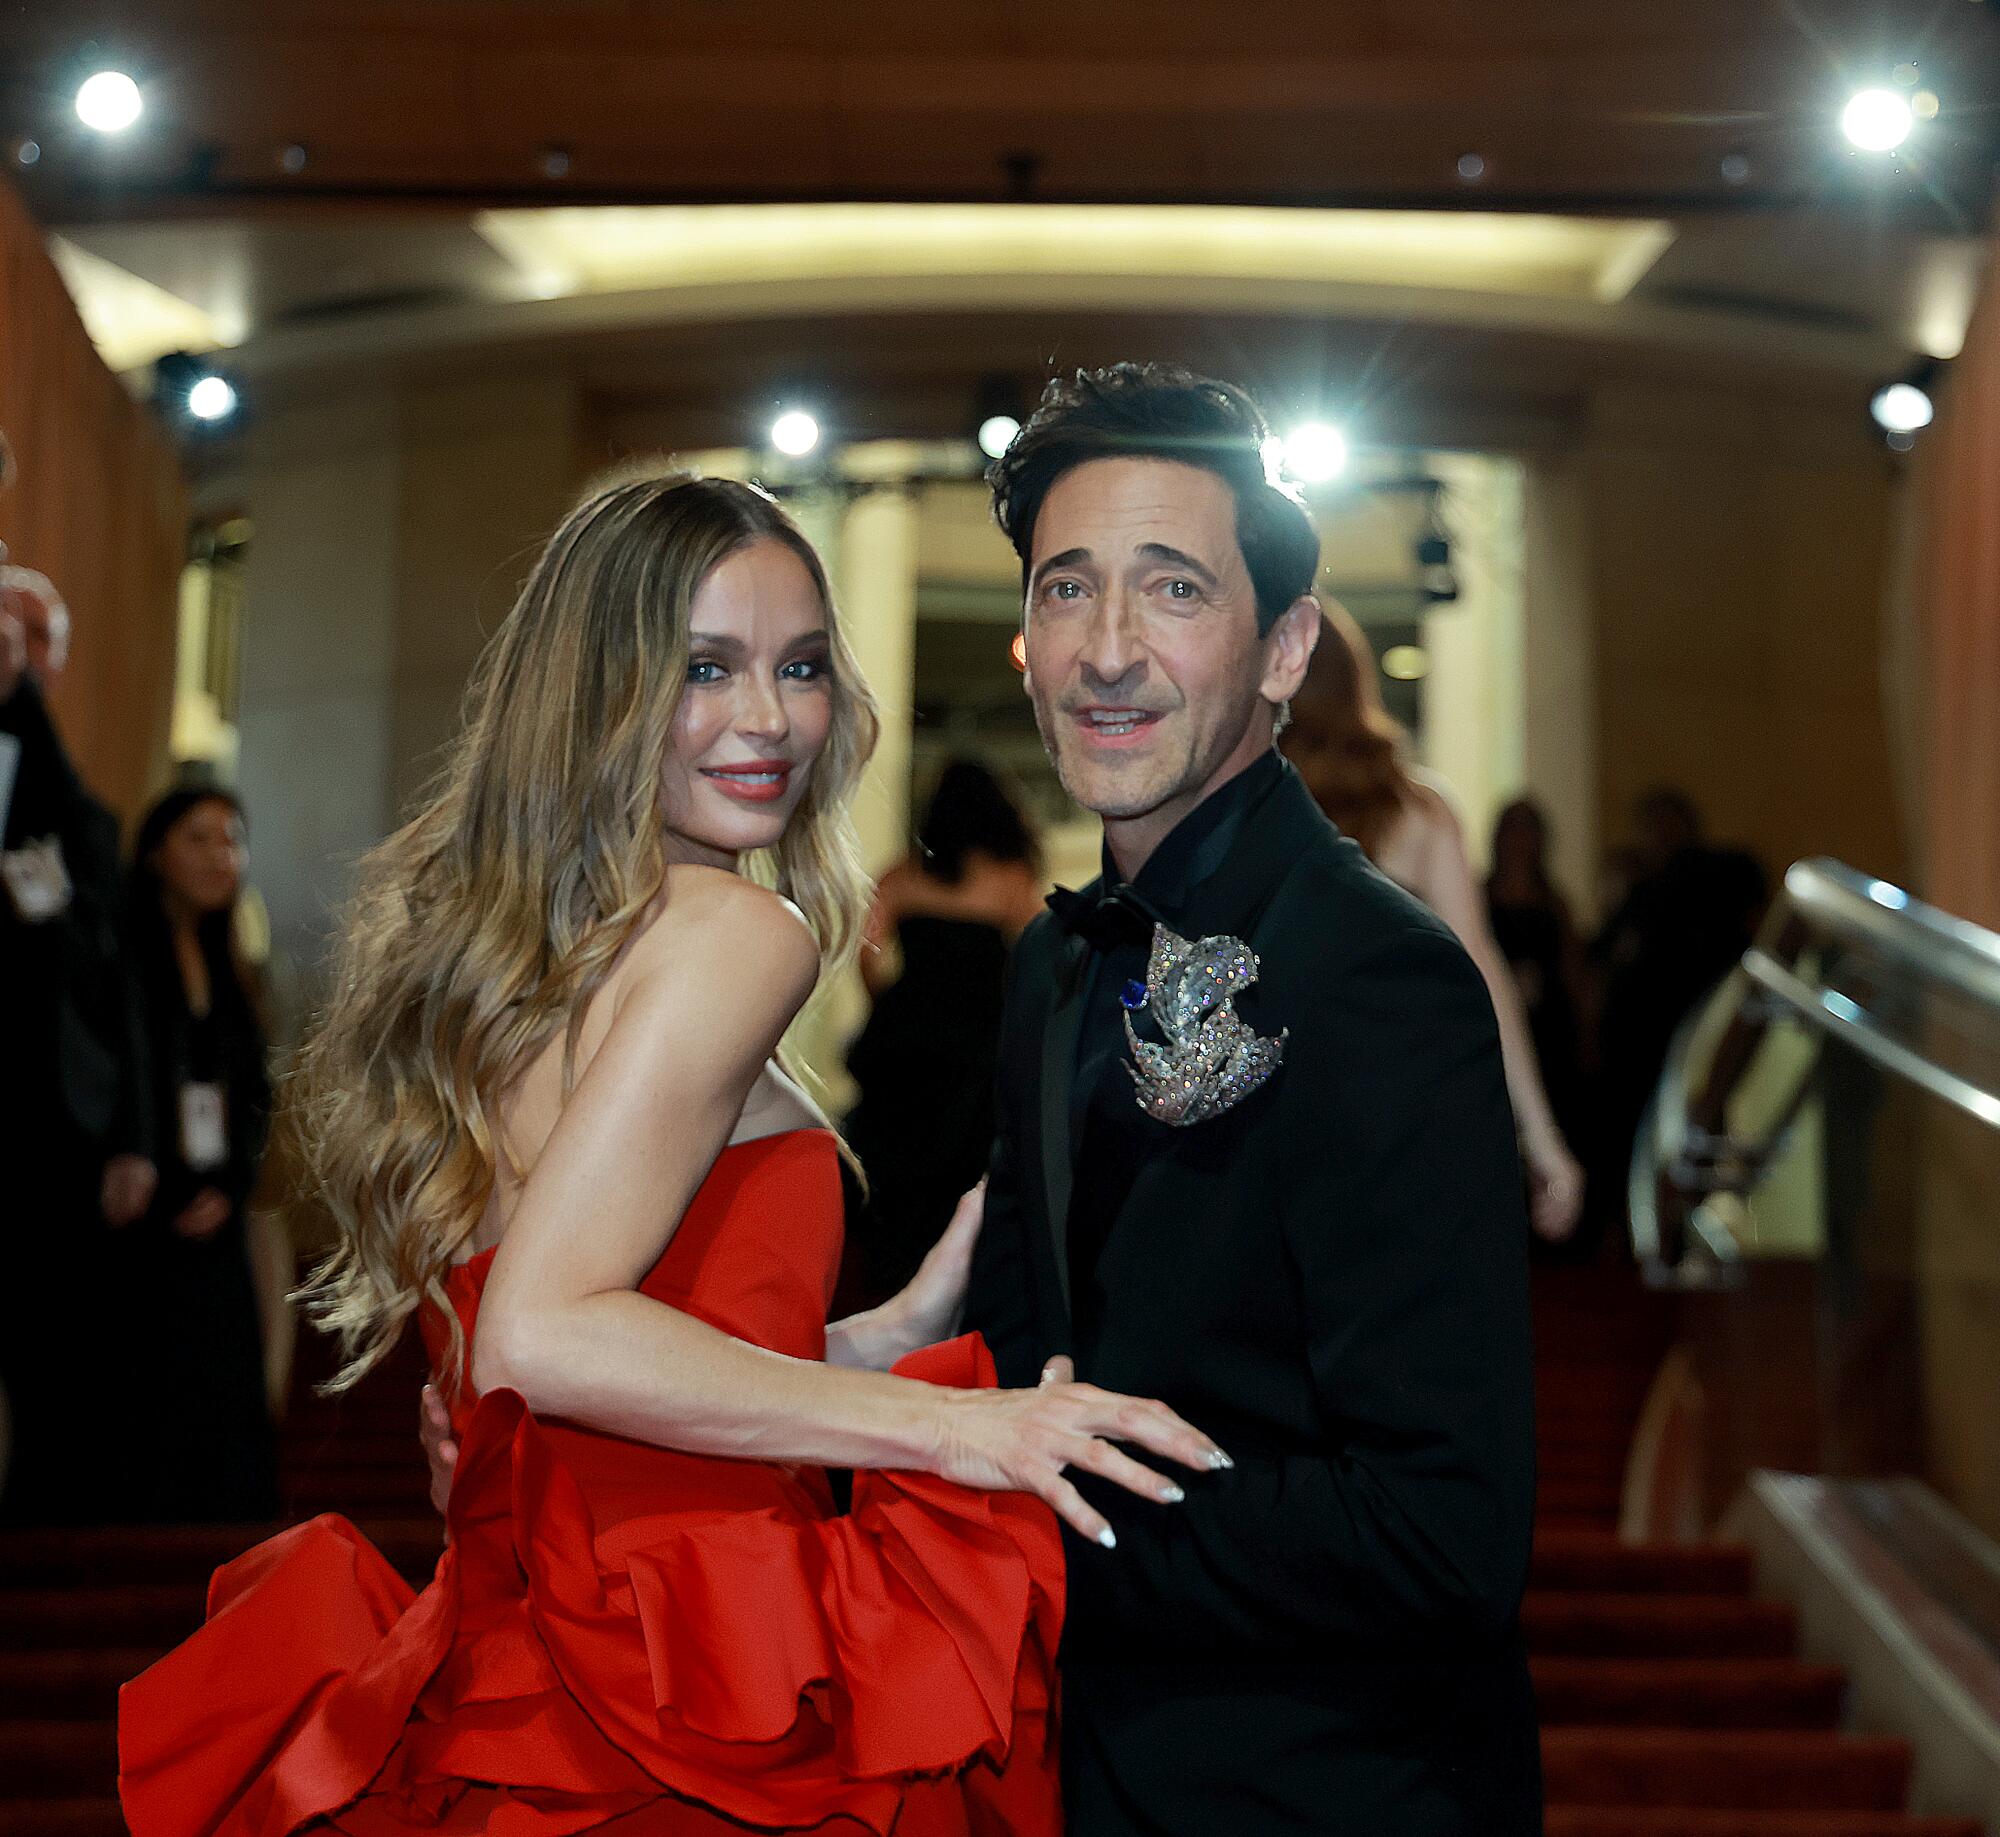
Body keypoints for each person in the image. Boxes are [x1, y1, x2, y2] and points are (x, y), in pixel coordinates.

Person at [120, 468, 1224, 1836]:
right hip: (672, 1696)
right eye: (705, 667)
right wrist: (961, 1429)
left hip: (557, 1672)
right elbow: (541, 1335)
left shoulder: (546, 954)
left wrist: (892, 1329)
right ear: (600, 689)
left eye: (802, 665)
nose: (769, 718)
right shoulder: (735, 934)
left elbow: (607, 1351)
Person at [966, 364, 1541, 1833]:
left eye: (1171, 591)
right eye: (1064, 590)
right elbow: (1029, 1373)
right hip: (1080, 1768)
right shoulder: (1049, 962)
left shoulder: (1377, 976)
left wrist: (1037, 1513)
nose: (1106, 650)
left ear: (1285, 649)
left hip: (1332, 1785)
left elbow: (1439, 1530)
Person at [1283, 603, 1584, 1241]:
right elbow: (1483, 976)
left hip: (1275, 1106)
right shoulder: (1417, 810)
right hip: (1399, 1114)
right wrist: (1544, 1139)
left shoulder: (1245, 806)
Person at [0, 465, 146, 1523]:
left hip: (43, 1122)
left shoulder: (79, 816)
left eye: (31, 641)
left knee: (45, 1344)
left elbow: (115, 979)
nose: (18, 657)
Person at [109, 785, 280, 1522]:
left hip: (217, 1205)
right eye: (200, 838)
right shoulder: (117, 949)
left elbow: (250, 1095)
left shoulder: (233, 960)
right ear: (155, 852)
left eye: (232, 839)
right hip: (135, 1217)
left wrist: (232, 1181)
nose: (222, 855)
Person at [841, 757, 1045, 1307]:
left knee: (888, 1164)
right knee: (961, 1168)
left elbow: (868, 944)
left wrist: (889, 1003)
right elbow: (1036, 958)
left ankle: (883, 1286)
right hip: (976, 1047)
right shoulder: (1010, 878)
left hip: (906, 1043)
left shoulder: (905, 872)